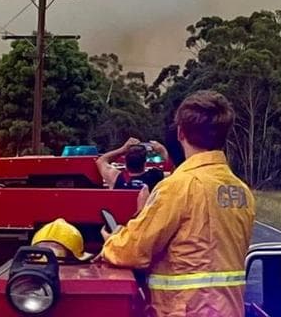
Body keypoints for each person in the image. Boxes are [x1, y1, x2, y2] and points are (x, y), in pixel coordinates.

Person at [99, 91, 255, 317]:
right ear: (224, 135)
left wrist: (112, 242)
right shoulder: (242, 191)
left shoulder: (179, 186)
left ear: (181, 132)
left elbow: (134, 251)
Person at [96, 138, 168, 190]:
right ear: (145, 164)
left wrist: (122, 149)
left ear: (126, 164)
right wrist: (162, 150)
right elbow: (173, 174)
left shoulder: (116, 178)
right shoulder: (155, 177)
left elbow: (101, 160)